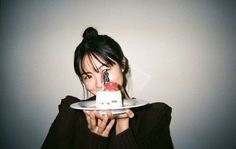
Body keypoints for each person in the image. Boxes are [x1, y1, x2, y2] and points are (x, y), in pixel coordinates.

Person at [42, 27, 174, 149]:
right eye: (88, 76)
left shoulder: (153, 117)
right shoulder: (70, 115)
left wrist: (123, 128)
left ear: (122, 64)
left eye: (105, 71)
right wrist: (97, 141)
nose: (99, 83)